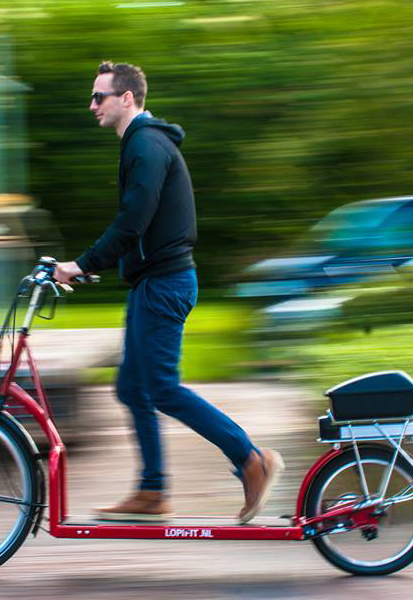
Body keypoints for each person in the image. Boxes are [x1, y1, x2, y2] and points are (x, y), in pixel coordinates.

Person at [54, 61, 283, 523]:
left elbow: (133, 220)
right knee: (132, 387)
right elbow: (143, 226)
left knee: (160, 387)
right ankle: (153, 491)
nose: (92, 104)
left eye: (100, 96)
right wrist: (105, 264)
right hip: (152, 282)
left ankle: (250, 459)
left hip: (165, 284)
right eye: (93, 96)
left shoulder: (146, 144)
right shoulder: (141, 144)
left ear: (127, 99)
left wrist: (82, 263)